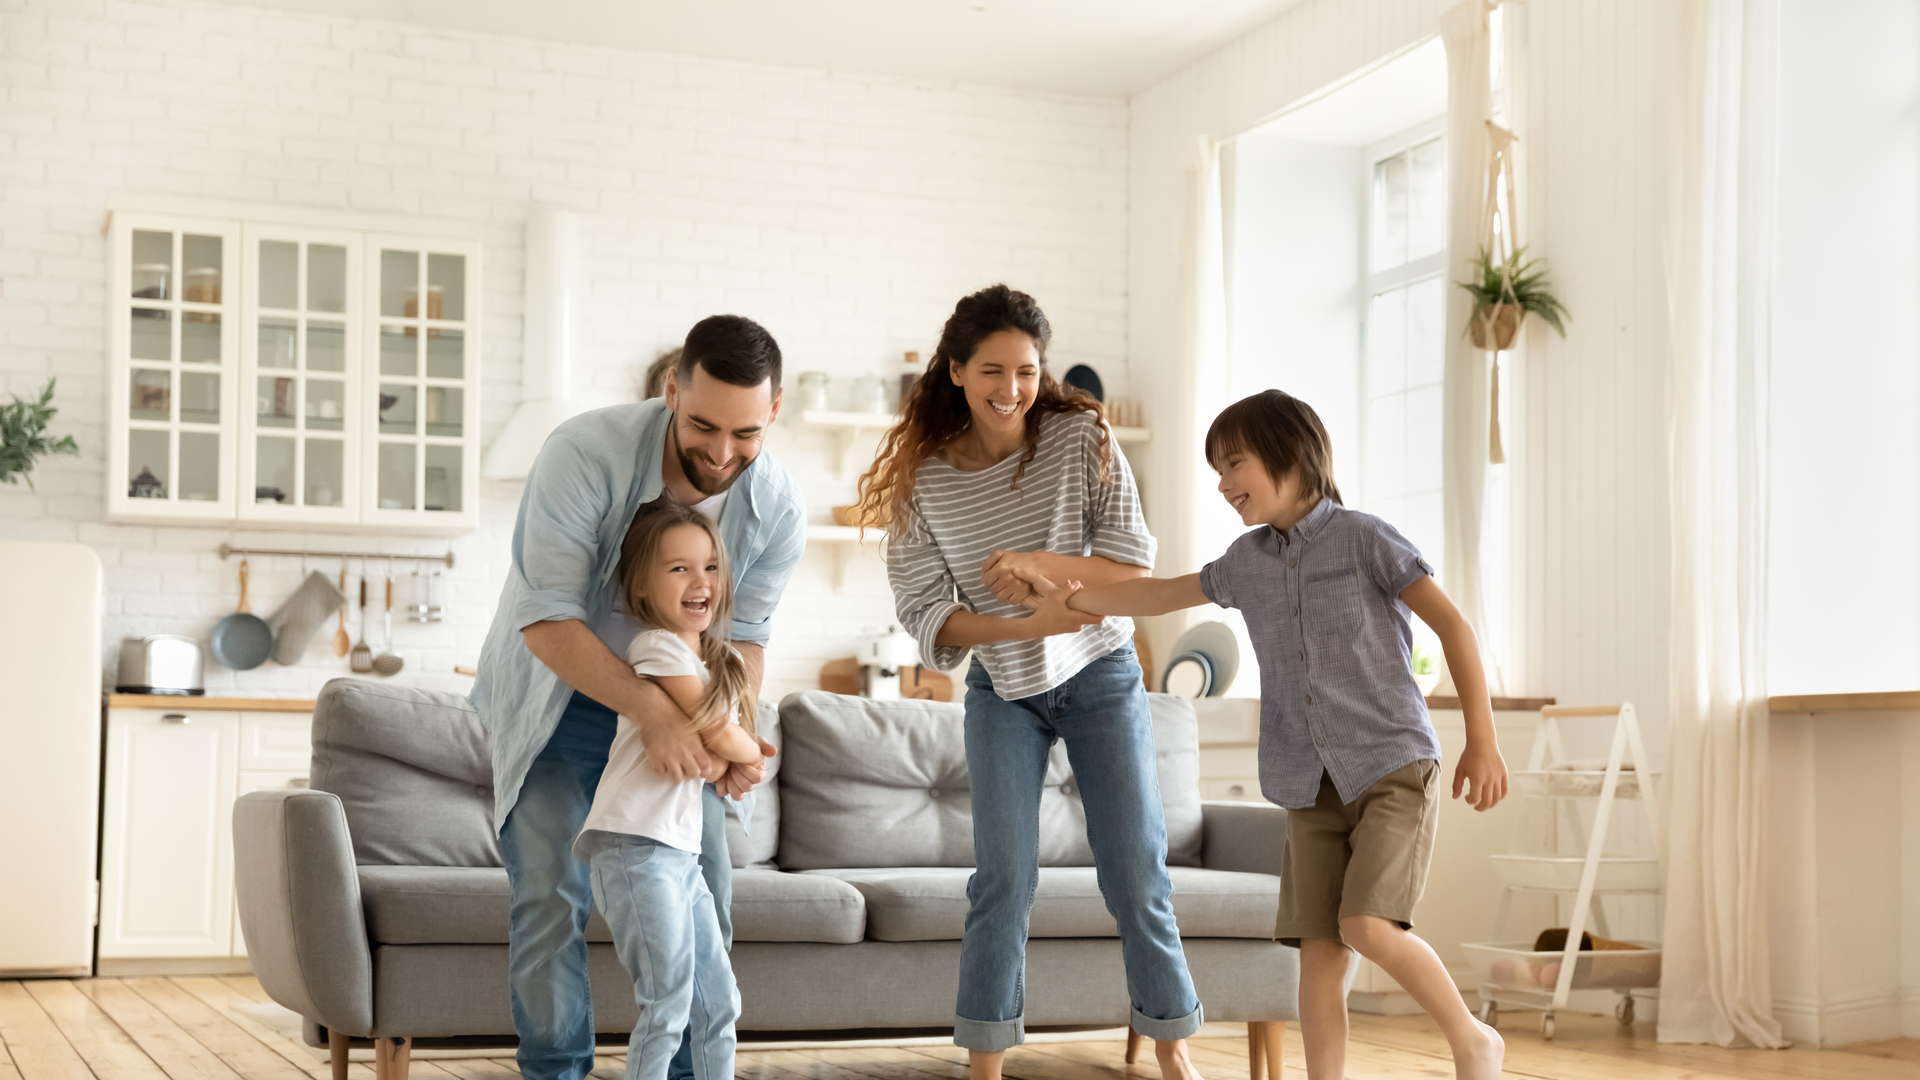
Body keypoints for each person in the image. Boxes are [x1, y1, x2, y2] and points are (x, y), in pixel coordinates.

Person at [1011, 389, 1510, 1080]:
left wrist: (1481, 740)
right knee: (1317, 953)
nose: (1222, 484)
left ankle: (1472, 1037)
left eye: (1234, 464)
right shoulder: (1246, 561)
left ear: (1292, 454)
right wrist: (1071, 602)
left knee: (1367, 927)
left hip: (1391, 764)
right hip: (1307, 781)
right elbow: (1161, 593)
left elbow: (1453, 626)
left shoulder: (1366, 538)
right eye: (1216, 469)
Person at [854, 284, 1208, 1080]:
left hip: (1102, 672)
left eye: (1025, 371)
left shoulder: (1080, 438)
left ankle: (1173, 1051)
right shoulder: (927, 480)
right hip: (1003, 688)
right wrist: (1024, 625)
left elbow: (1133, 561)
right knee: (1003, 879)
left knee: (1134, 865)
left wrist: (1043, 571)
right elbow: (926, 613)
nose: (1010, 389)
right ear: (955, 371)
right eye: (992, 370)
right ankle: (984, 1065)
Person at [472, 315, 805, 1080]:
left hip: (686, 704)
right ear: (670, 392)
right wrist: (652, 712)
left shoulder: (778, 506)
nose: (722, 454)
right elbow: (548, 619)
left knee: (706, 903)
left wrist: (729, 734)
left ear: (775, 412)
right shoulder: (583, 454)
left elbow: (744, 642)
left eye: (746, 433)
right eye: (702, 426)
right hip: (563, 698)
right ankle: (556, 1071)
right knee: (551, 898)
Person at [578, 503, 761, 1080]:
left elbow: (718, 752)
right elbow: (719, 733)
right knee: (668, 1005)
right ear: (642, 585)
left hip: (680, 854)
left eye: (709, 567)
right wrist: (746, 753)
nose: (700, 581)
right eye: (679, 569)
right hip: (633, 846)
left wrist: (734, 758)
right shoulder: (655, 647)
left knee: (718, 1003)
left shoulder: (720, 661)